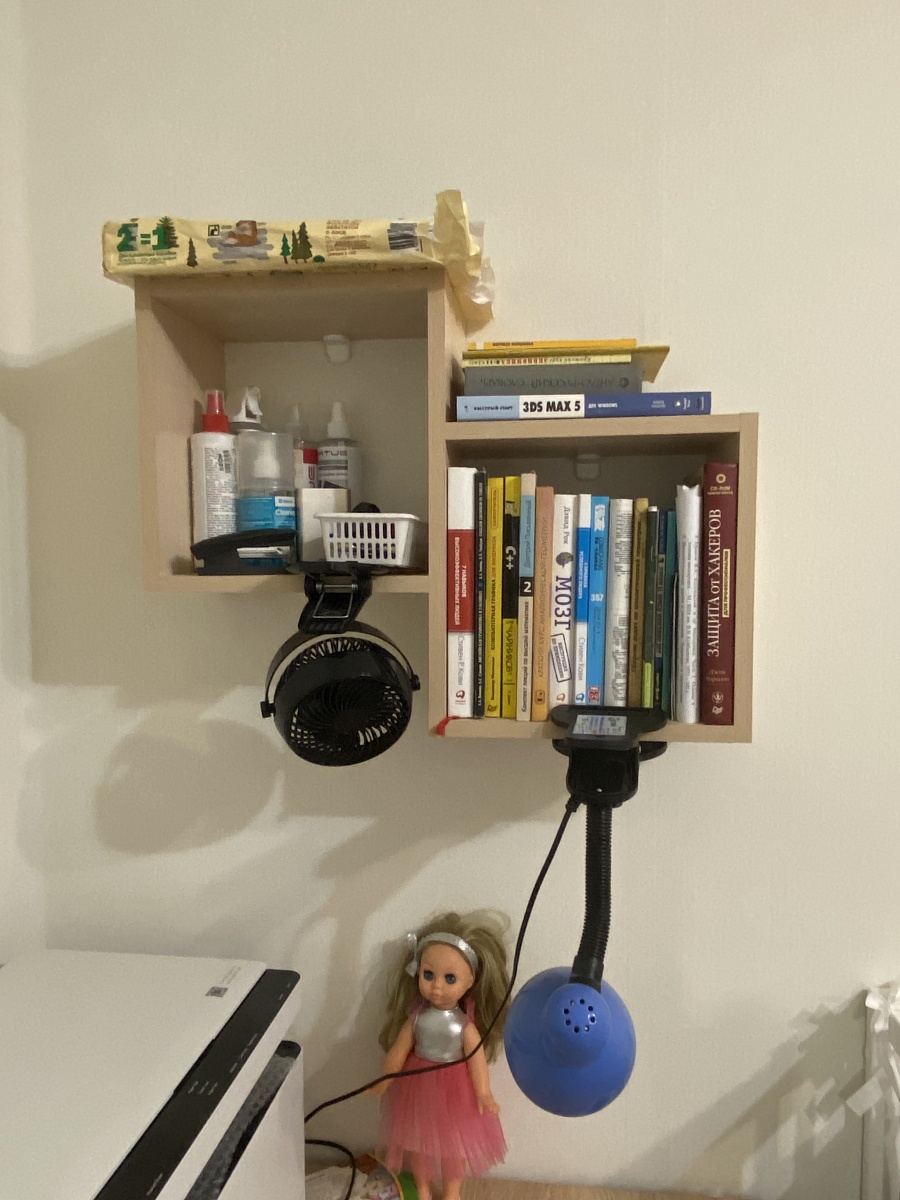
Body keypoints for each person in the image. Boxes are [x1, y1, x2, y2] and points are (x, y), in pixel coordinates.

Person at [369, 910, 511, 1200]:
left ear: (470, 981)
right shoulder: (417, 1018)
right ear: (417, 971)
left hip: (455, 1090)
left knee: (453, 1147)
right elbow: (399, 1051)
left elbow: (476, 1059)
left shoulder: (463, 1025)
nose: (436, 986)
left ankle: (452, 1191)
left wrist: (484, 1093)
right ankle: (422, 1188)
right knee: (418, 1144)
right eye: (428, 975)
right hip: (417, 1086)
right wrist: (385, 1078)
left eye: (450, 978)